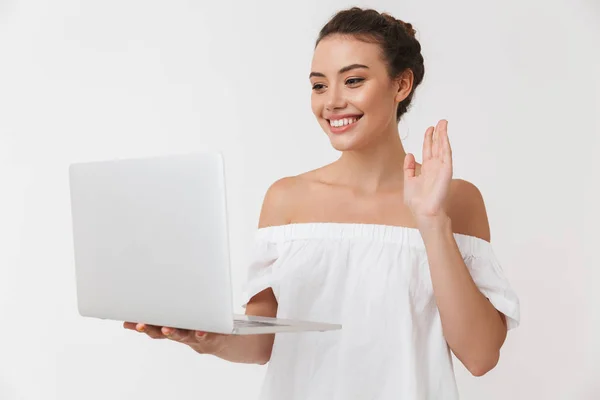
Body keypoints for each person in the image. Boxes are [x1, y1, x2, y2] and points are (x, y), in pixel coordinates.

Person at [124, 6, 520, 399]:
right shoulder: (287, 199)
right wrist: (201, 337)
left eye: (353, 81)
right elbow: (263, 342)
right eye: (318, 85)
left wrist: (432, 220)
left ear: (401, 85)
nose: (331, 102)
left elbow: (481, 355)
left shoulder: (454, 199)